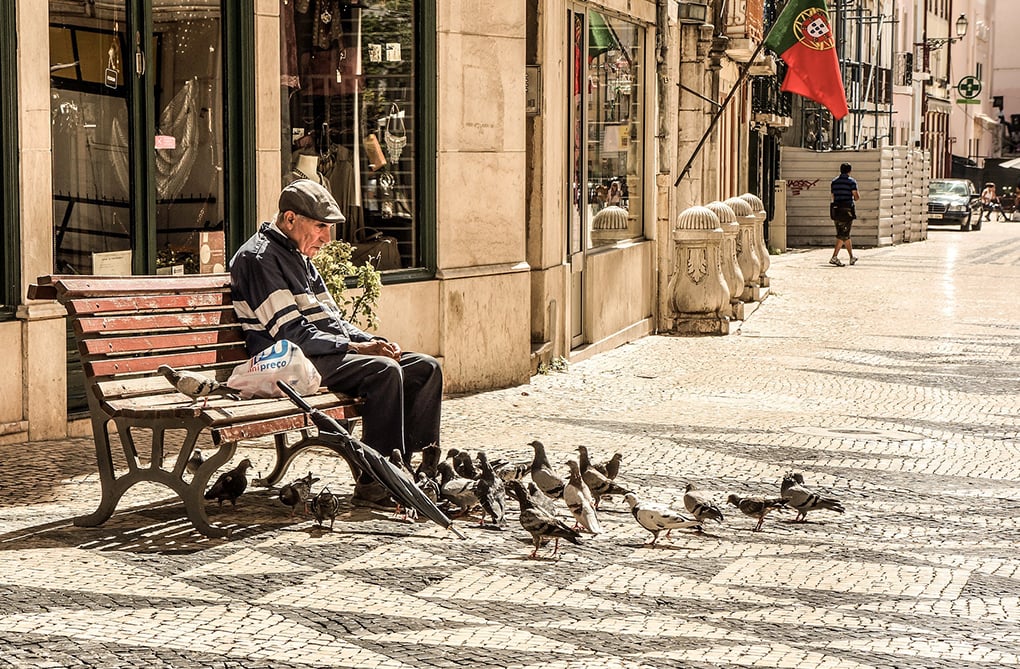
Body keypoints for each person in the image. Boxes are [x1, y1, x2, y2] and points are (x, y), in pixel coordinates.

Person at [229, 179, 443, 509]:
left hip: (315, 355)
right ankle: (376, 482)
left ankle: (412, 471)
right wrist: (358, 350)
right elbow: (289, 334)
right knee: (383, 372)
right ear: (290, 219)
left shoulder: (298, 255)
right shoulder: (260, 259)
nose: (327, 239)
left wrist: (370, 340)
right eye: (320, 227)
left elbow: (332, 321)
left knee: (425, 368)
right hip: (285, 364)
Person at [829, 162, 860, 267]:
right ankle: (834, 257)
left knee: (844, 234)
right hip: (847, 210)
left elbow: (832, 195)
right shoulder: (851, 182)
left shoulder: (834, 182)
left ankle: (851, 257)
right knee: (842, 234)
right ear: (849, 171)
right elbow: (856, 196)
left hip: (836, 209)